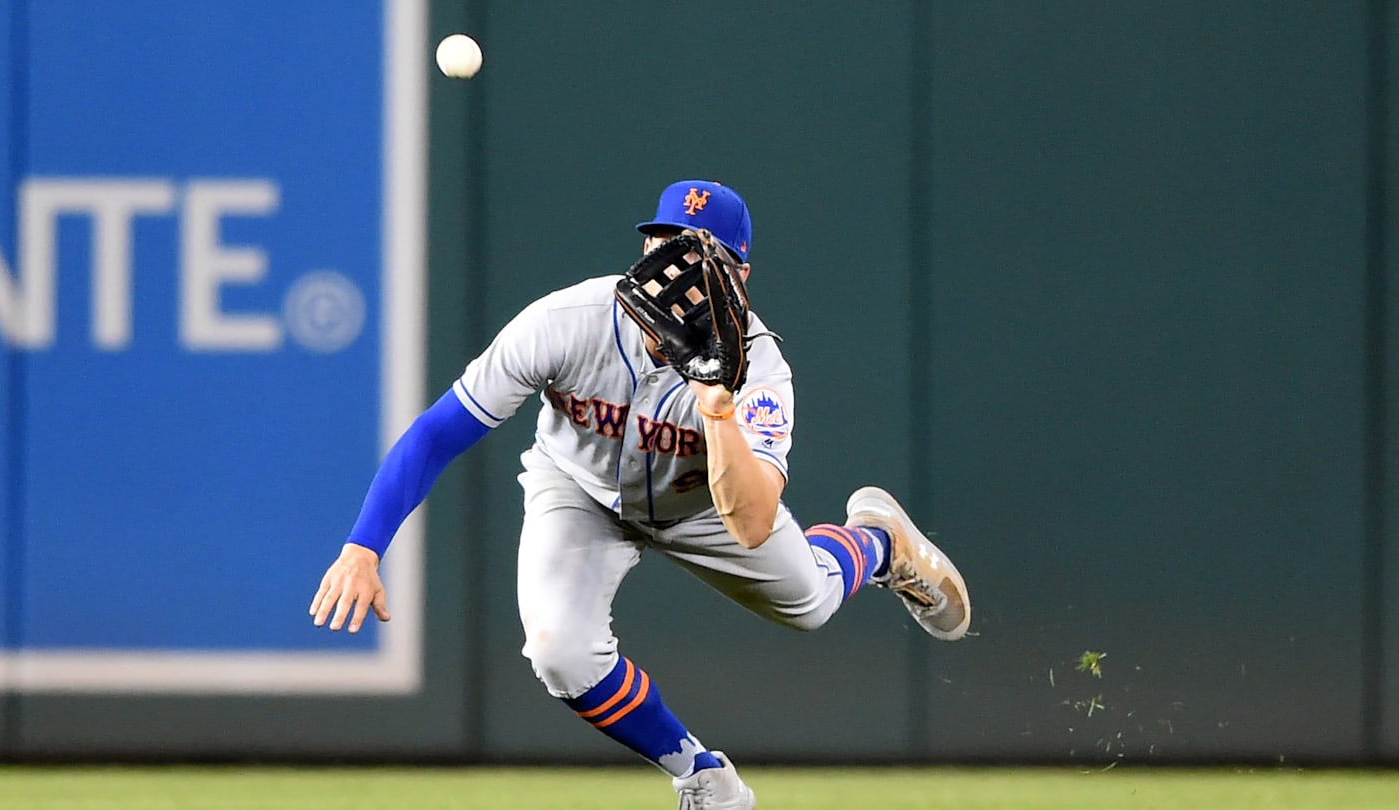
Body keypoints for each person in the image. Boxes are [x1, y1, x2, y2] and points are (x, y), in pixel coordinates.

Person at [309, 179, 972, 810]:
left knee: (810, 604)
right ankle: (701, 774)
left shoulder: (760, 369)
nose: (673, 265)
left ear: (739, 276)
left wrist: (717, 408)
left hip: (704, 506)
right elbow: (437, 432)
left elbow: (752, 522)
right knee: (560, 652)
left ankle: (877, 544)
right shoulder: (568, 321)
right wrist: (364, 546)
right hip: (578, 491)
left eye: (698, 253)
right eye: (663, 243)